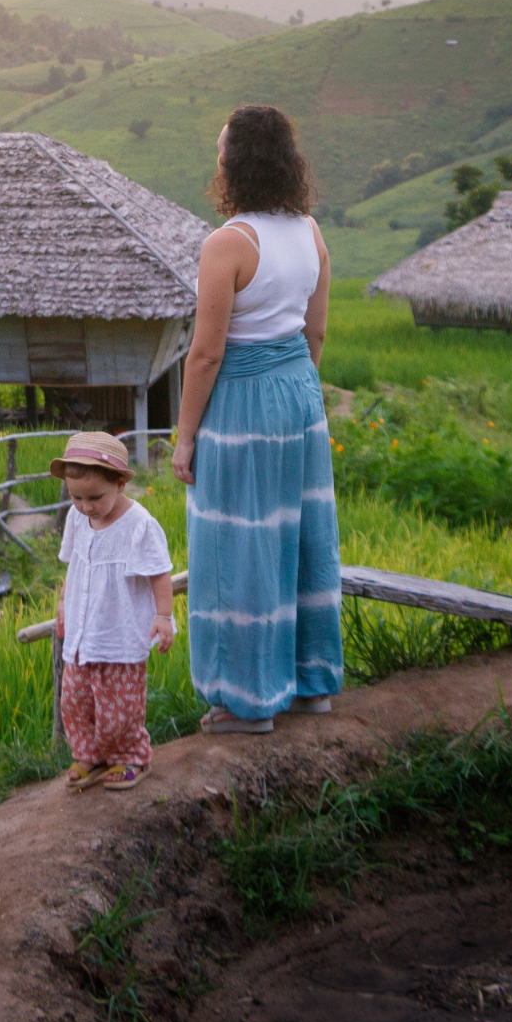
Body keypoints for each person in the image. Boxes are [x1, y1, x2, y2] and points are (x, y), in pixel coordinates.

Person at [171, 104, 342, 734]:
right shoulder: (310, 232)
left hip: (243, 400)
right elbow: (316, 329)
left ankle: (246, 700)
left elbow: (207, 352)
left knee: (237, 546)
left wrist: (185, 437)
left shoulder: (229, 244)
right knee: (301, 535)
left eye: (220, 150)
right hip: (300, 391)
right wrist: (297, 387)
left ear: (233, 165)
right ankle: (311, 683)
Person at [52, 432, 175, 791]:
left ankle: (131, 757)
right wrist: (63, 602)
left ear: (120, 484)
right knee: (75, 700)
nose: (86, 506)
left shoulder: (139, 525)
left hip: (120, 633)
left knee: (119, 706)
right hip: (81, 632)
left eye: (95, 498)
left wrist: (163, 617)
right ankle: (89, 755)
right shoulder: (78, 519)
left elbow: (159, 573)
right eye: (76, 498)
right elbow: (74, 564)